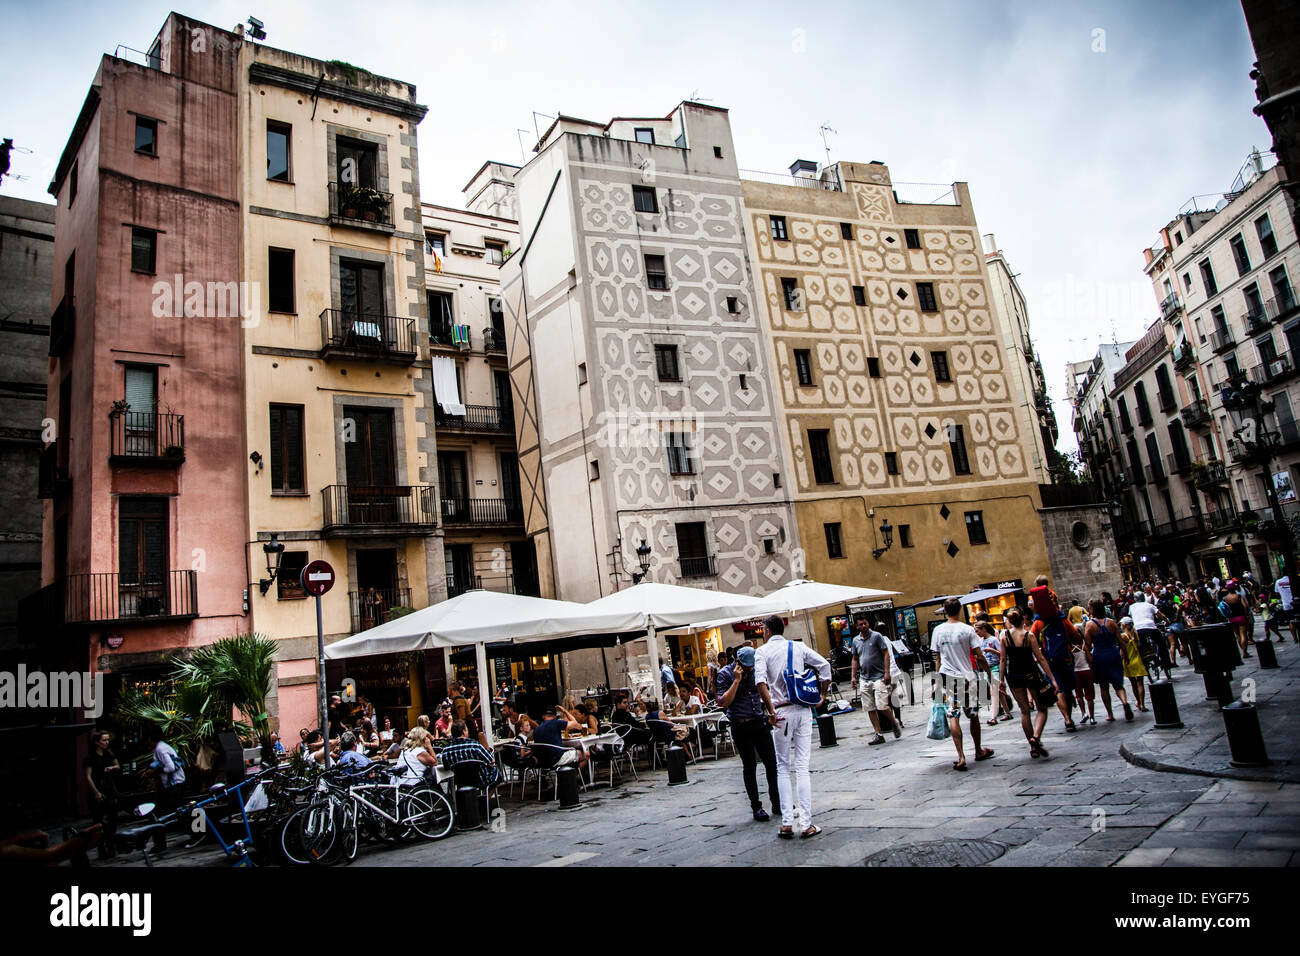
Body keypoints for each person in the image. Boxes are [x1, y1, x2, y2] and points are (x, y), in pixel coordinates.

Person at [753, 614, 831, 840]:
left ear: (767, 631)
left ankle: (787, 822)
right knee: (802, 765)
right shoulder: (798, 647)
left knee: (782, 767)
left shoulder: (762, 652)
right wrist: (823, 694)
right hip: (803, 710)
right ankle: (806, 824)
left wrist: (770, 711)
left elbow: (760, 683)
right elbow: (824, 665)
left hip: (781, 714)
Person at [716, 645, 781, 822]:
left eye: (751, 667)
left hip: (758, 721)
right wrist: (736, 681)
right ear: (737, 662)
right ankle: (756, 807)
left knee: (771, 762)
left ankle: (777, 802)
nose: (749, 670)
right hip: (740, 724)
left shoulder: (755, 671)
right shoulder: (725, 674)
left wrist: (771, 711)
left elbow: (763, 690)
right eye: (746, 667)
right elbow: (723, 702)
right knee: (750, 766)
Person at [930, 597, 995, 771]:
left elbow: (937, 658)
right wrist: (989, 676)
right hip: (968, 677)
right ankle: (978, 750)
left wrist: (936, 682)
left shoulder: (937, 630)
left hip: (947, 676)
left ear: (945, 610)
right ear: (959, 610)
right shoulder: (967, 629)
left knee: (953, 715)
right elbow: (979, 656)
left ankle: (960, 756)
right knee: (973, 715)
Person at [997, 607, 1057, 758]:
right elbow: (1040, 658)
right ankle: (1036, 737)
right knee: (1041, 708)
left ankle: (1033, 748)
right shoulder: (1029, 636)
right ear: (1023, 620)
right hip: (1031, 673)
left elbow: (1003, 659)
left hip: (1014, 675)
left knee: (1024, 711)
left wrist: (1001, 679)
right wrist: (1052, 678)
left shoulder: (1004, 637)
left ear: (1009, 622)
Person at [849, 615, 900, 745]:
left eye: (865, 623)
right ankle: (878, 734)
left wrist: (887, 672)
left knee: (882, 705)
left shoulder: (877, 636)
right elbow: (855, 658)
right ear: (857, 626)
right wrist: (853, 676)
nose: (863, 626)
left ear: (868, 623)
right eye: (860, 624)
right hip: (864, 678)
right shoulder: (855, 641)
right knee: (869, 707)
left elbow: (886, 653)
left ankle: (893, 722)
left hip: (878, 677)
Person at [83, 730, 120, 859]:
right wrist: (96, 793)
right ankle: (101, 848)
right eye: (104, 740)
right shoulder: (90, 758)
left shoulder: (109, 754)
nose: (106, 742)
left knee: (112, 819)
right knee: (98, 822)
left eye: (107, 740)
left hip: (109, 789)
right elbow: (88, 777)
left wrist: (111, 768)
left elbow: (117, 766)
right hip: (98, 789)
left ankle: (110, 844)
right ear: (97, 742)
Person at [440, 720, 501, 788]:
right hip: (479, 781)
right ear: (463, 732)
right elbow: (491, 761)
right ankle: (486, 797)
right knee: (498, 775)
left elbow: (446, 767)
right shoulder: (475, 746)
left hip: (459, 783)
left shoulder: (446, 751)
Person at [526, 706, 588, 772]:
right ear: (555, 716)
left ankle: (567, 774)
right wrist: (565, 711)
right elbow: (576, 724)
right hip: (557, 759)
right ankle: (575, 777)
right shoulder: (556, 723)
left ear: (543, 716)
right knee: (586, 753)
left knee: (570, 752)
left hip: (543, 761)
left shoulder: (537, 729)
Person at [1129, 592, 1171, 679]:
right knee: (1161, 643)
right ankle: (1166, 663)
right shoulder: (1149, 605)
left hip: (1138, 629)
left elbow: (1132, 617)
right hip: (1150, 627)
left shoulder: (1131, 607)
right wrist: (1167, 621)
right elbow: (1160, 614)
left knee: (1141, 645)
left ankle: (1144, 661)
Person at [143, 728, 187, 811]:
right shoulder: (160, 747)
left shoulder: (161, 749)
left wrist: (155, 771)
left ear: (150, 739)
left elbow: (171, 767)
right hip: (172, 784)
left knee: (174, 809)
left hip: (175, 784)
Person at [1119, 617, 1149, 712]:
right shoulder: (1135, 635)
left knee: (1133, 684)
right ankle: (1143, 704)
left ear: (1123, 625)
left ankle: (1138, 702)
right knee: (1140, 683)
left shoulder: (1123, 636)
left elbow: (1122, 652)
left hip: (1129, 662)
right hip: (1138, 661)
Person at [1220, 582, 1252, 660]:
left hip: (1232, 618)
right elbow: (1245, 606)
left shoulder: (1225, 598)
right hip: (1240, 616)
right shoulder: (1238, 596)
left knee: (1237, 635)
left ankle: (1242, 650)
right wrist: (1247, 614)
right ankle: (1245, 652)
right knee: (1243, 634)